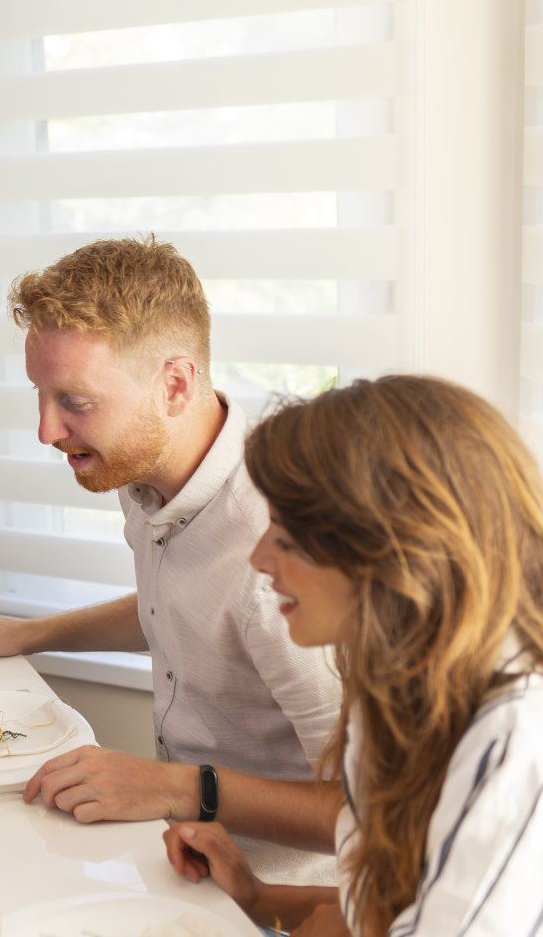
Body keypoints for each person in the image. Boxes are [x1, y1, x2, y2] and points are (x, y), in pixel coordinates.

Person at [0, 237, 340, 883]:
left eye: (75, 402)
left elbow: (368, 813)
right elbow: (184, 607)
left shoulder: (279, 550)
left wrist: (178, 787)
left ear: (174, 384)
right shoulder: (141, 461)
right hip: (183, 858)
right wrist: (30, 633)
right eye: (41, 394)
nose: (46, 430)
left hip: (284, 901)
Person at [163, 376, 543, 936]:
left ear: (396, 558)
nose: (261, 558)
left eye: (288, 540)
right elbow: (378, 914)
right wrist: (253, 894)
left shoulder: (512, 736)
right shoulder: (392, 690)